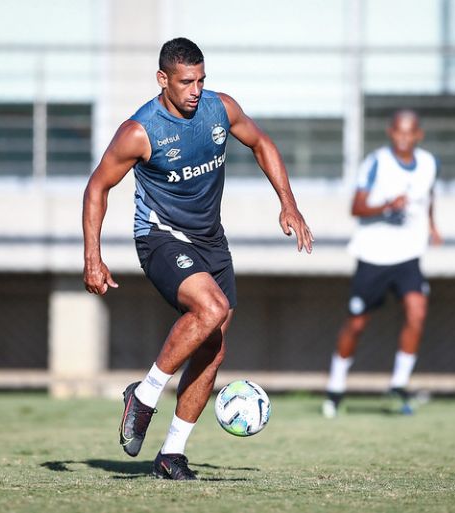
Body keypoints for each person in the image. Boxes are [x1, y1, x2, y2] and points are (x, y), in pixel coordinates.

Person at [82, 37, 313, 480]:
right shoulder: (139, 131)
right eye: (187, 81)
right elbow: (97, 187)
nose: (195, 90)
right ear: (162, 79)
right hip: (161, 237)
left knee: (213, 347)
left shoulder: (219, 109)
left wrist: (289, 202)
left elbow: (261, 143)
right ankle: (144, 395)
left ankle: (172, 455)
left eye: (201, 80)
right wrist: (93, 257)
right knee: (212, 308)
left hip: (211, 241)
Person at [322, 110, 441, 418]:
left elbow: (429, 194)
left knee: (417, 311)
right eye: (398, 131)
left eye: (410, 131)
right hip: (373, 255)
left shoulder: (428, 163)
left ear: (418, 135)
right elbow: (356, 206)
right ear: (391, 133)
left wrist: (432, 225)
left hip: (408, 255)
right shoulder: (376, 162)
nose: (404, 137)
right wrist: (387, 205)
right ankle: (335, 388)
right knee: (357, 323)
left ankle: (398, 385)